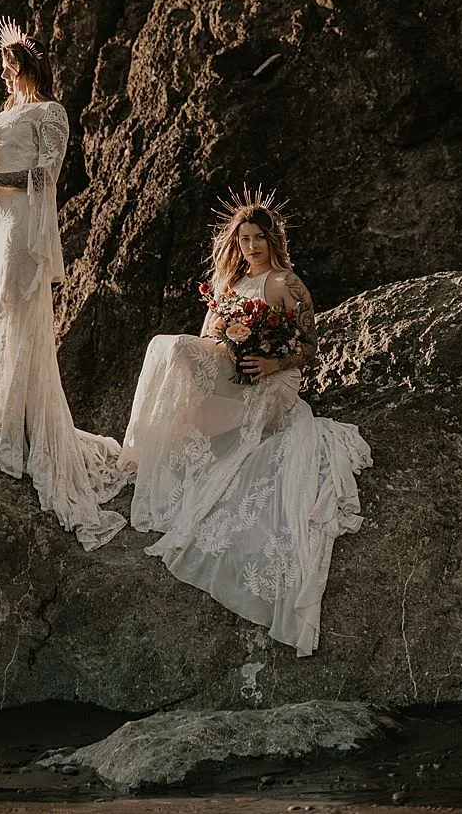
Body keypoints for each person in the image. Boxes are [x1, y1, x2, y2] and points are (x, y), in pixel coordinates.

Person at [119, 193, 372, 655]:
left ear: (273, 240)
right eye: (244, 239)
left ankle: (217, 434)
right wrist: (230, 350)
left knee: (177, 352)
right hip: (237, 373)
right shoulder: (231, 284)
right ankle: (160, 450)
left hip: (274, 381)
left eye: (258, 238)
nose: (251, 246)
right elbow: (210, 340)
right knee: (172, 352)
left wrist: (273, 363)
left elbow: (310, 347)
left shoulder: (285, 283)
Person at [0, 19, 128, 549]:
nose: (3, 74)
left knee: (16, 311)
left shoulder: (51, 113)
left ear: (29, 66)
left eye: (9, 65)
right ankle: (6, 419)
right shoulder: (3, 116)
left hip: (24, 227)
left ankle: (20, 429)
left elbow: (44, 176)